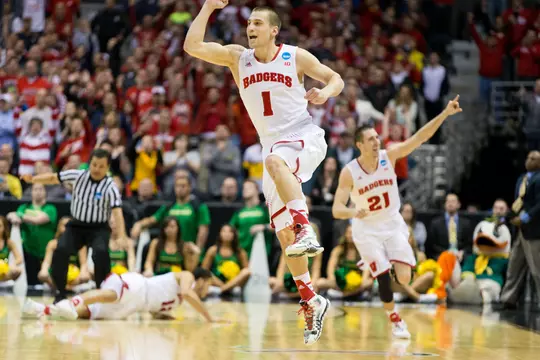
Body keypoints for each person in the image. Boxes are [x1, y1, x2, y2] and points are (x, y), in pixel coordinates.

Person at [184, 0, 344, 345]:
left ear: (274, 30)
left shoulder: (294, 56)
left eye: (258, 23)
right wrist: (209, 7)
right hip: (273, 145)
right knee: (284, 236)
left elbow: (336, 79)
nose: (250, 28)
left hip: (303, 135)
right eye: (249, 23)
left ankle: (307, 228)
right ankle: (311, 299)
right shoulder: (237, 58)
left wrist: (324, 93)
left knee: (274, 165)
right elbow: (192, 46)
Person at [332, 95, 462, 338]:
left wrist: (444, 114)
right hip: (367, 229)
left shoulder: (388, 156)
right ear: (359, 144)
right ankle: (395, 319)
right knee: (381, 276)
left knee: (404, 278)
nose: (376, 141)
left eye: (376, 137)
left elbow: (419, 138)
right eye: (370, 139)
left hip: (392, 224)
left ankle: (391, 264)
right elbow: (336, 209)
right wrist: (352, 211)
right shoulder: (349, 173)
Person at [21, 148, 127, 303]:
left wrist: (122, 235)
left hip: (99, 228)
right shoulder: (77, 175)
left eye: (101, 166)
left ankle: (101, 292)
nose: (96, 169)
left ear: (107, 167)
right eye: (94, 165)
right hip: (76, 225)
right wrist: (34, 179)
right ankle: (60, 293)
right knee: (60, 250)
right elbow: (53, 178)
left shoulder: (110, 187)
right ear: (89, 164)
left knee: (101, 252)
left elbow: (117, 212)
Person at [22, 271, 214, 323]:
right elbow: (187, 293)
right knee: (111, 295)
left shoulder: (177, 302)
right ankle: (72, 301)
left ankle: (40, 309)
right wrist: (210, 319)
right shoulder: (188, 276)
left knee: (88, 313)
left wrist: (164, 316)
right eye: (209, 284)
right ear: (203, 279)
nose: (208, 289)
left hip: (133, 307)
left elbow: (155, 309)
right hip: (138, 285)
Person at [201, 224, 251, 296]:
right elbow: (204, 270)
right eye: (224, 231)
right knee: (206, 273)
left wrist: (232, 284)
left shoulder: (240, 252)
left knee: (247, 271)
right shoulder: (213, 250)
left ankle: (222, 290)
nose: (227, 234)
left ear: (234, 235)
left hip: (235, 284)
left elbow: (246, 270)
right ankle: (227, 289)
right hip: (217, 282)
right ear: (220, 234)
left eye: (230, 232)